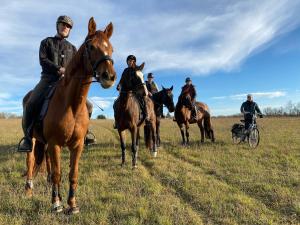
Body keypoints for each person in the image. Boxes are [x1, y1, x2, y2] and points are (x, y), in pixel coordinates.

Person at [18, 15, 95, 152]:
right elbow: (43, 60)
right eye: (63, 24)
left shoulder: (73, 48)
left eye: (68, 26)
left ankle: (86, 133)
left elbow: (78, 65)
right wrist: (58, 69)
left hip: (67, 82)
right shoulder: (46, 42)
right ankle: (28, 139)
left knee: (88, 106)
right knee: (30, 104)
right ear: (57, 26)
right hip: (48, 79)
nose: (65, 27)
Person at [114, 55, 149, 127]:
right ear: (127, 62)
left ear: (134, 62)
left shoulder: (136, 69)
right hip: (125, 91)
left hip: (135, 91)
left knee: (142, 100)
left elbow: (139, 78)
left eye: (133, 61)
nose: (131, 62)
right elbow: (121, 80)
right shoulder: (125, 71)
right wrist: (119, 85)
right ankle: (117, 121)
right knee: (115, 103)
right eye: (129, 61)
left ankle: (146, 116)